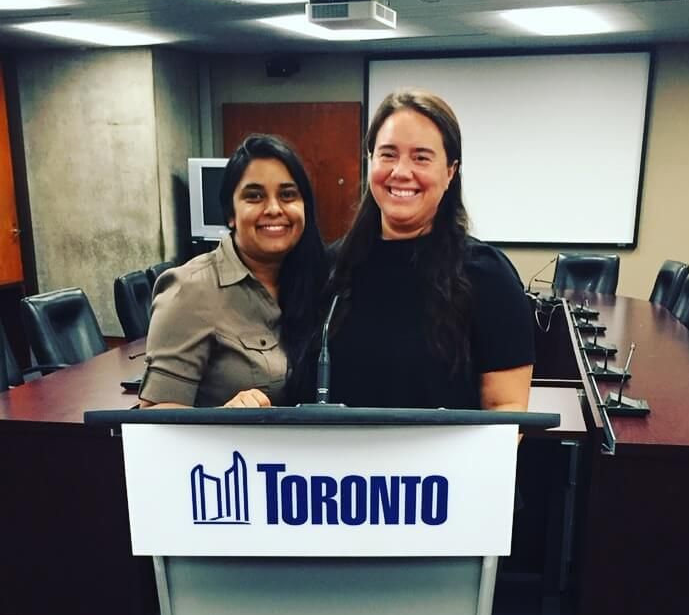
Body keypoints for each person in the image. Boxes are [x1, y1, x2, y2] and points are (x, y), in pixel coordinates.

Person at [324, 89, 534, 410]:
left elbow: (506, 409)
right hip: (338, 460)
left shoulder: (489, 277)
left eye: (421, 157)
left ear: (450, 171)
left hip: (444, 462)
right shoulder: (332, 268)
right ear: (370, 161)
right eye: (388, 154)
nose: (401, 172)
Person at [138, 133, 327, 409]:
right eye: (254, 196)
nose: (274, 209)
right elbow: (155, 417)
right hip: (235, 453)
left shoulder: (322, 279)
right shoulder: (190, 289)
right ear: (230, 214)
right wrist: (223, 417)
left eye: (288, 195)